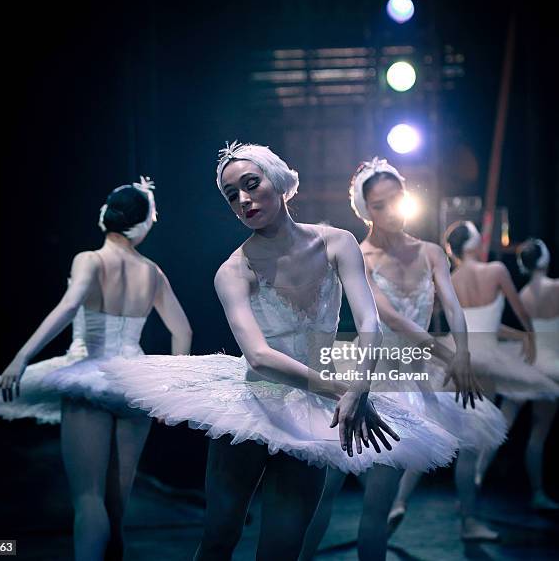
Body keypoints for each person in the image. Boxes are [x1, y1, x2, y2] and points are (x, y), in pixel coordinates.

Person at [104, 143, 460, 560]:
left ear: (280, 182)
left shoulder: (338, 243)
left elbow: (369, 323)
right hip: (256, 401)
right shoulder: (232, 271)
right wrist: (343, 393)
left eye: (251, 185)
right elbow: (258, 356)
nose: (243, 199)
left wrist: (360, 388)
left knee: (283, 548)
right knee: (220, 536)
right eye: (232, 194)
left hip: (311, 410)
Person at [0, 177, 193, 560]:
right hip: (134, 383)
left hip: (89, 375)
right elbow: (182, 330)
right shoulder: (152, 271)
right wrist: (167, 390)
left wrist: (21, 358)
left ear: (106, 216)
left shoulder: (90, 259)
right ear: (143, 224)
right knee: (116, 509)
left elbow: (70, 306)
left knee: (89, 501)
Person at [302, 158, 507, 557]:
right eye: (379, 205)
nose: (390, 210)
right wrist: (448, 355)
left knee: (379, 503)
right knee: (325, 490)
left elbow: (451, 304)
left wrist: (462, 353)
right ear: (366, 210)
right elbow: (387, 317)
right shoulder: (358, 256)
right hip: (366, 376)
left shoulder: (431, 252)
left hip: (411, 383)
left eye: (395, 199)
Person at [470, 235, 559, 510]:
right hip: (551, 365)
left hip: (526, 362)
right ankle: (537, 492)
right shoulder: (556, 287)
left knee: (501, 426)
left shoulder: (523, 294)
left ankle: (475, 477)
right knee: (538, 432)